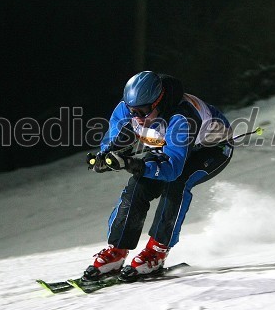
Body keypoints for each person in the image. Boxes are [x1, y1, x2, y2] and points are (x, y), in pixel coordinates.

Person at [84, 71, 234, 281]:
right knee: (138, 186)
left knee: (177, 184)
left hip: (212, 149)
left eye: (143, 111)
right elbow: (113, 140)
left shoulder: (181, 117)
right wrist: (104, 157)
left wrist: (131, 163)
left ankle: (157, 251)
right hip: (174, 147)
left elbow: (172, 169)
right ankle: (117, 250)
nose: (137, 117)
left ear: (158, 101)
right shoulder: (129, 108)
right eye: (132, 110)